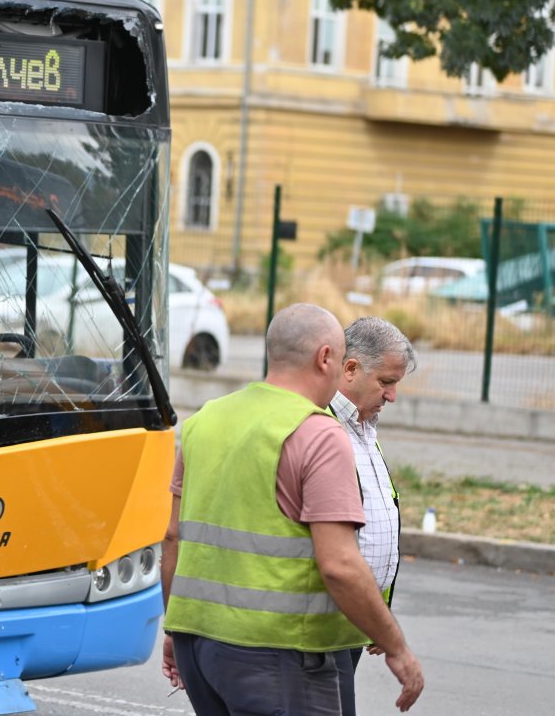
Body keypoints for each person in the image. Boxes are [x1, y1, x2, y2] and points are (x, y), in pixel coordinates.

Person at [161, 303, 424, 715]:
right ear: (326, 359)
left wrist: (175, 628)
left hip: (199, 644)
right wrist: (397, 647)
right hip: (278, 652)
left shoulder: (204, 420)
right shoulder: (318, 431)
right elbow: (338, 564)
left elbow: (174, 536)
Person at [329, 316, 417, 715]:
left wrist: (377, 612)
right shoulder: (322, 428)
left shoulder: (364, 429)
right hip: (322, 624)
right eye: (386, 382)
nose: (393, 395)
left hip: (354, 617)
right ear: (350, 369)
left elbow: (374, 530)